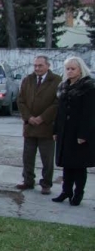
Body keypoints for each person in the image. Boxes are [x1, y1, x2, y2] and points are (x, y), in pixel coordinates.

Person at [52, 57, 95, 206]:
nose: (69, 71)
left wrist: (83, 134)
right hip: (65, 131)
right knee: (67, 164)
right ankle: (66, 191)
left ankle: (78, 193)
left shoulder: (88, 87)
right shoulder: (64, 86)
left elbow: (90, 113)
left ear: (80, 70)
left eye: (73, 69)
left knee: (79, 165)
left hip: (79, 132)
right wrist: (56, 130)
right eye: (67, 69)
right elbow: (60, 111)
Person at [16, 55, 61, 195]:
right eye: (35, 65)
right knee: (28, 156)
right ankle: (28, 180)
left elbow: (57, 103)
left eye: (40, 65)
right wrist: (29, 117)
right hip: (30, 126)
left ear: (48, 65)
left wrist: (42, 118)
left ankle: (46, 183)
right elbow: (20, 100)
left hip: (46, 126)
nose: (37, 68)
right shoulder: (28, 80)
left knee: (47, 158)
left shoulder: (57, 81)